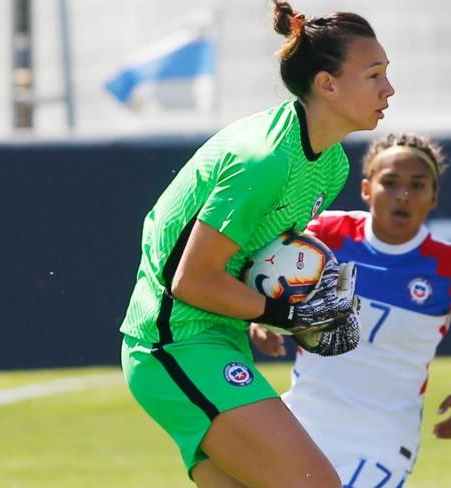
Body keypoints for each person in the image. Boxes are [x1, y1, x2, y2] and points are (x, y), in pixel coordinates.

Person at [118, 1, 394, 485]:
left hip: (214, 340)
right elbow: (191, 280)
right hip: (173, 344)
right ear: (327, 84)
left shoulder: (332, 165)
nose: (389, 89)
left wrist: (257, 310)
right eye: (374, 75)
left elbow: (249, 256)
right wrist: (282, 313)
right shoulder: (263, 159)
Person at [251, 133, 451, 487]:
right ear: (366, 189)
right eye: (389, 183)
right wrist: (262, 318)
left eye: (417, 185)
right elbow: (269, 279)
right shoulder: (324, 233)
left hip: (382, 443)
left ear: (434, 196)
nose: (403, 195)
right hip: (303, 424)